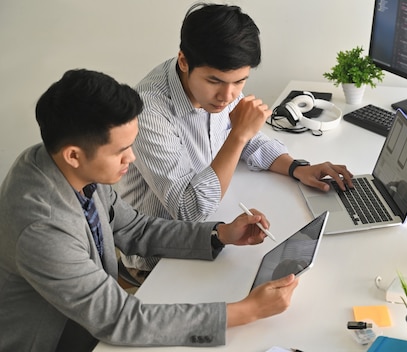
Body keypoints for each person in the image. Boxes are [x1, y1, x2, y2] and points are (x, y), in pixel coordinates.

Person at [0, 69, 299, 351]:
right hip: (57, 339)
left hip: (90, 313)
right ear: (74, 155)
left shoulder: (64, 162)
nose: (131, 157)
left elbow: (134, 228)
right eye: (120, 151)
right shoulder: (41, 226)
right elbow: (118, 319)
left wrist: (220, 233)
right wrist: (248, 310)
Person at [116, 3, 354, 277]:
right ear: (183, 61)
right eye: (215, 81)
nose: (228, 96)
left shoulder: (220, 89)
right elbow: (189, 210)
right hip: (160, 259)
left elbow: (251, 140)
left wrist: (297, 168)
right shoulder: (148, 109)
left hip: (214, 229)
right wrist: (238, 135)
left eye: (240, 81)